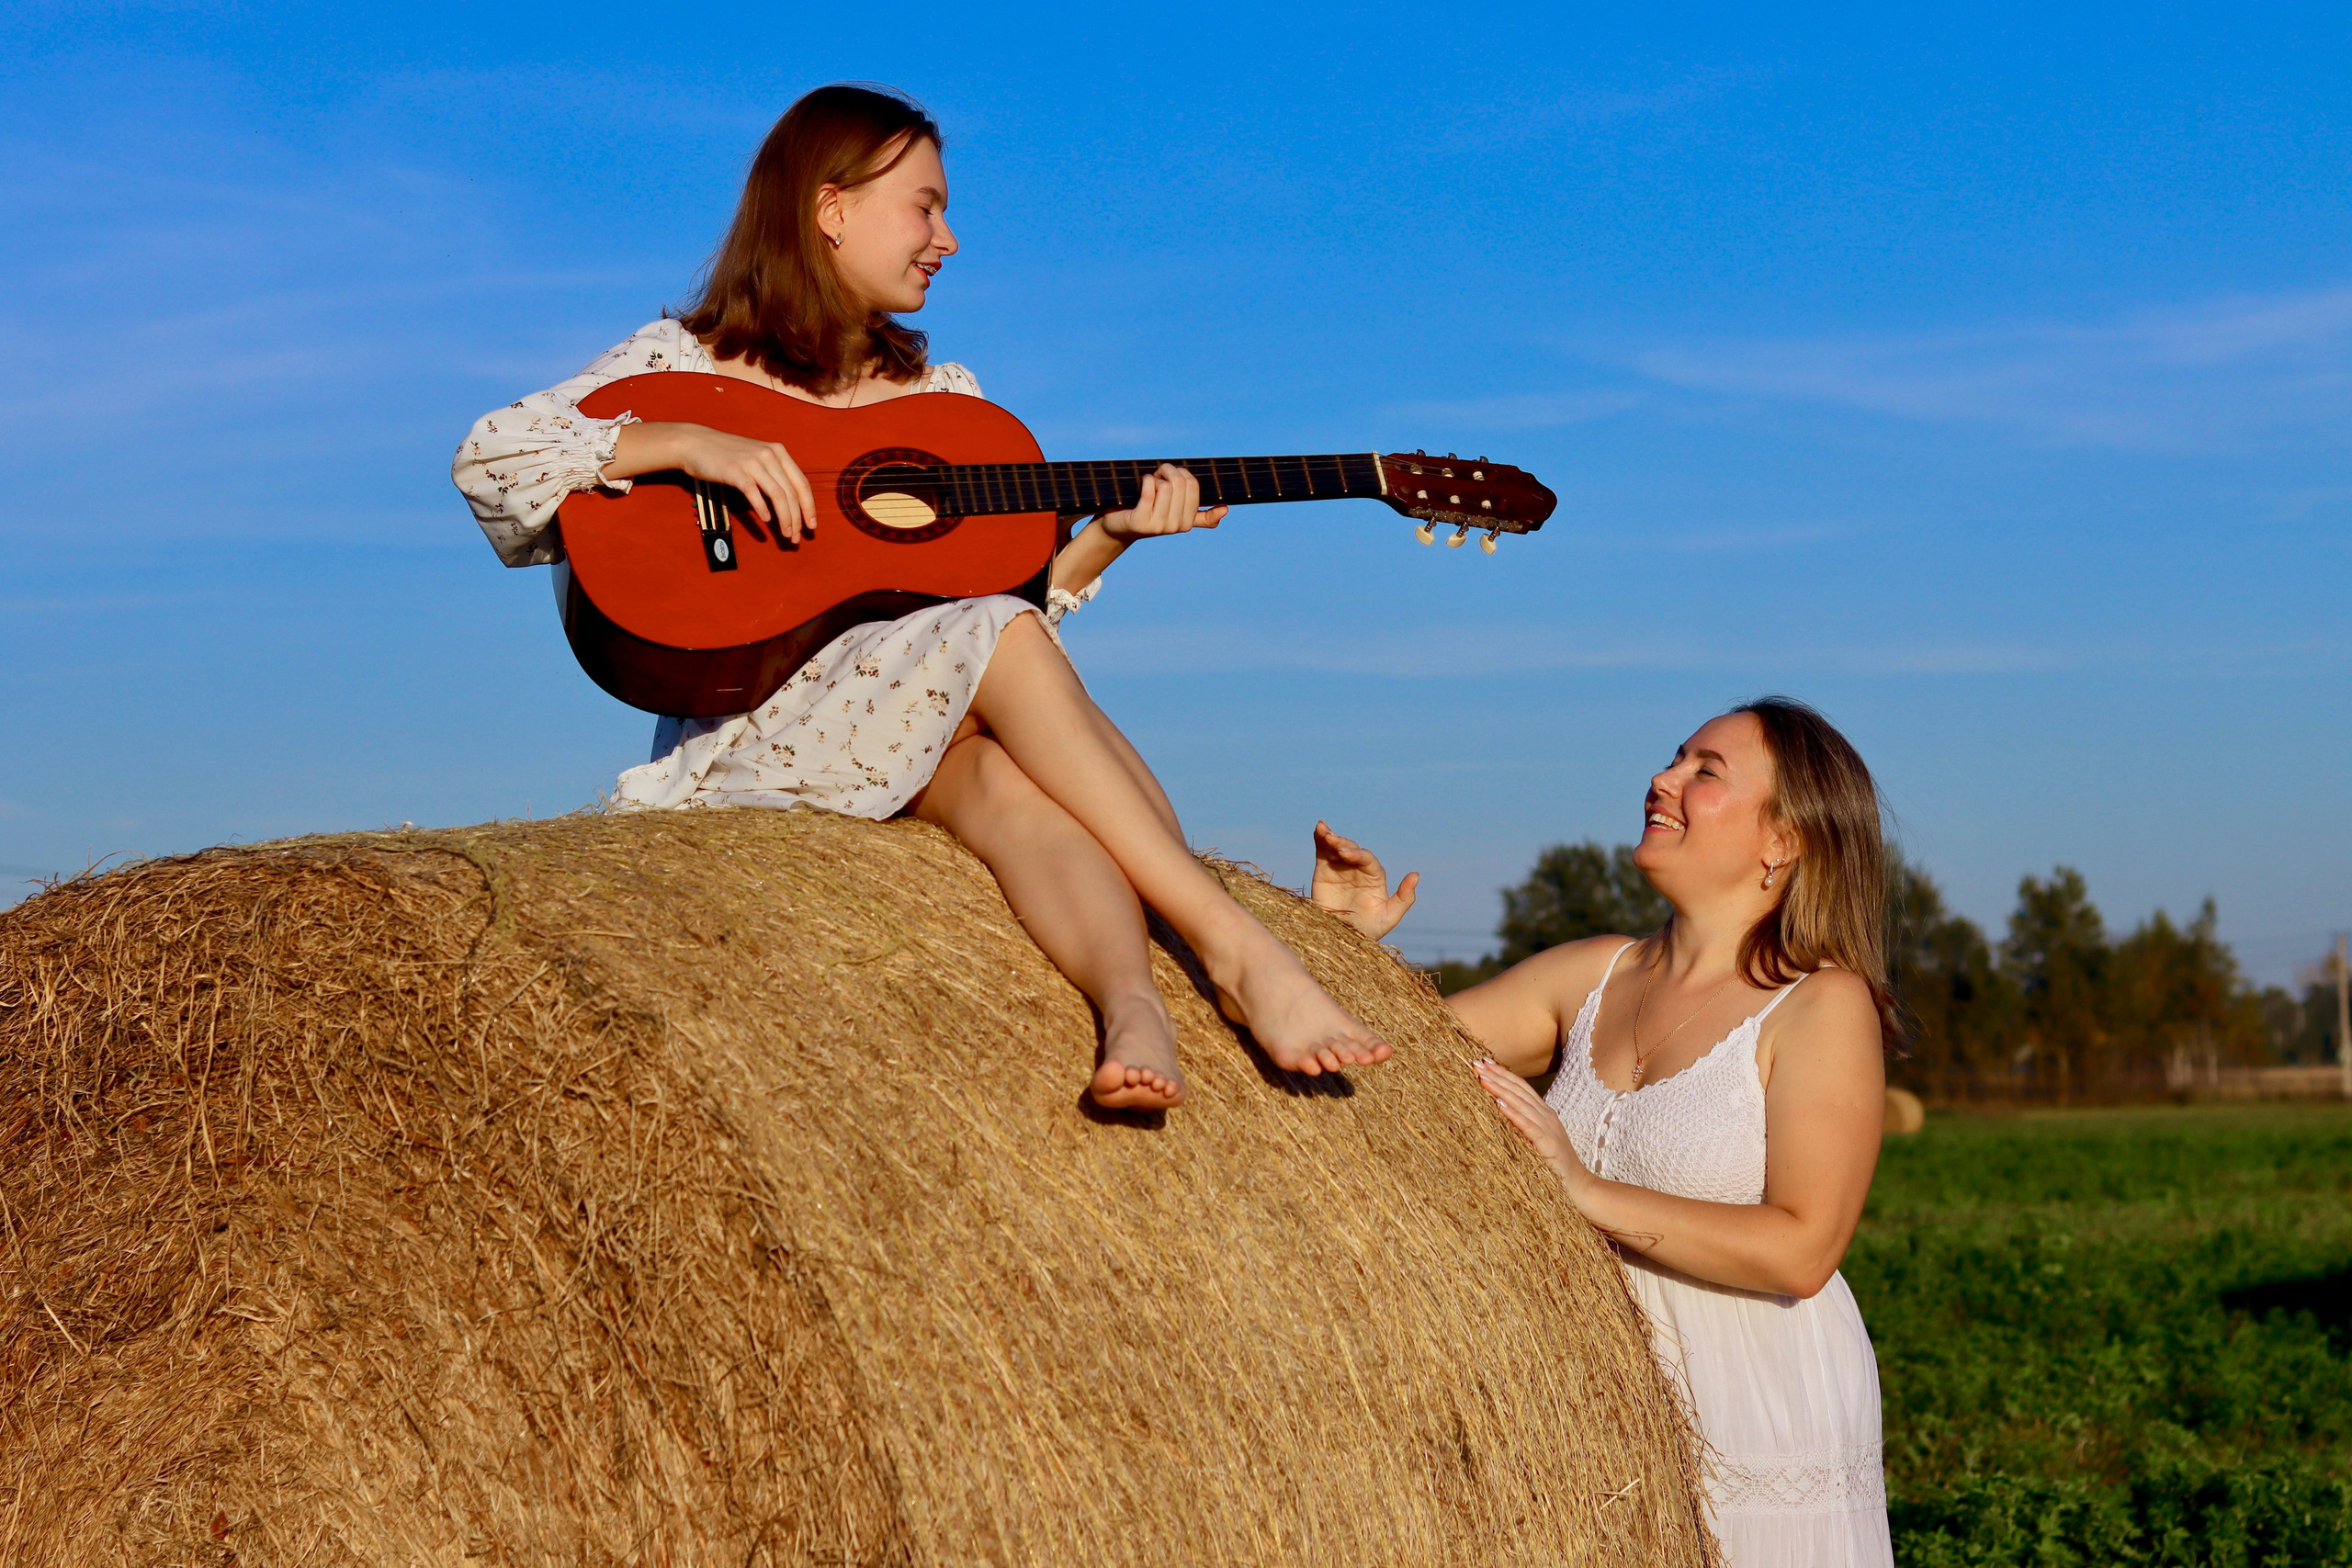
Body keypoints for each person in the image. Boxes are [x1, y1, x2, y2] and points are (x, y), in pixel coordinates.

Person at [453, 84, 1390, 1111]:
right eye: (926, 205)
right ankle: (1236, 950)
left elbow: (1000, 606)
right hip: (755, 723)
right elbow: (494, 454)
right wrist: (689, 443)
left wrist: (1112, 537)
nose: (948, 238)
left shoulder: (946, 409)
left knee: (1006, 782)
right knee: (999, 638)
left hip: (911, 716)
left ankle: (1134, 1006)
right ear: (830, 209)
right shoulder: (688, 365)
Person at [1310, 697, 1896, 1566]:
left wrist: (1581, 1191)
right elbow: (1384, 1062)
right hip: (1587, 1402)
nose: (1663, 780)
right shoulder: (1592, 972)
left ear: (1786, 840)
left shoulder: (1819, 1003)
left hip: (1754, 1400)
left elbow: (1803, 1249)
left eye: (1707, 771)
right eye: (1675, 758)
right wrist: (1340, 946)